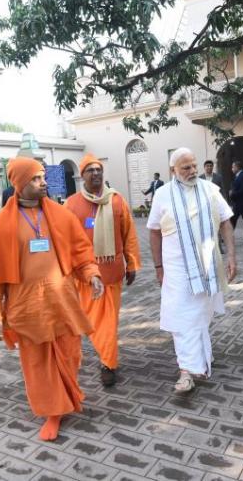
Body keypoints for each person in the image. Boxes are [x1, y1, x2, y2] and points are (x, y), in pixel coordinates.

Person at [0, 156, 104, 442]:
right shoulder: (1, 227)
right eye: (36, 179)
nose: (43, 182)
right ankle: (53, 412)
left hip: (63, 302)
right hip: (28, 308)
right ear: (20, 184)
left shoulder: (61, 216)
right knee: (39, 365)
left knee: (70, 355)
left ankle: (66, 396)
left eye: (43, 177)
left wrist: (92, 274)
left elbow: (81, 251)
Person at [147, 148, 236, 393]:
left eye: (194, 165)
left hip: (206, 266)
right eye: (186, 168)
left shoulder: (210, 190)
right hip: (175, 268)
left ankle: (199, 359)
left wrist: (231, 256)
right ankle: (186, 370)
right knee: (181, 316)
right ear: (173, 170)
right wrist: (158, 266)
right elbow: (154, 231)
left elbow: (226, 222)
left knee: (199, 315)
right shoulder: (162, 194)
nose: (193, 171)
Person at [65, 154, 141, 387]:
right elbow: (65, 240)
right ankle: (106, 355)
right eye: (91, 170)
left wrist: (132, 263)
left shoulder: (116, 200)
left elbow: (129, 235)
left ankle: (108, 363)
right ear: (82, 175)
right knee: (91, 321)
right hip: (84, 277)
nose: (96, 173)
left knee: (108, 323)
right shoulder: (71, 204)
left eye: (99, 169)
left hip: (111, 273)